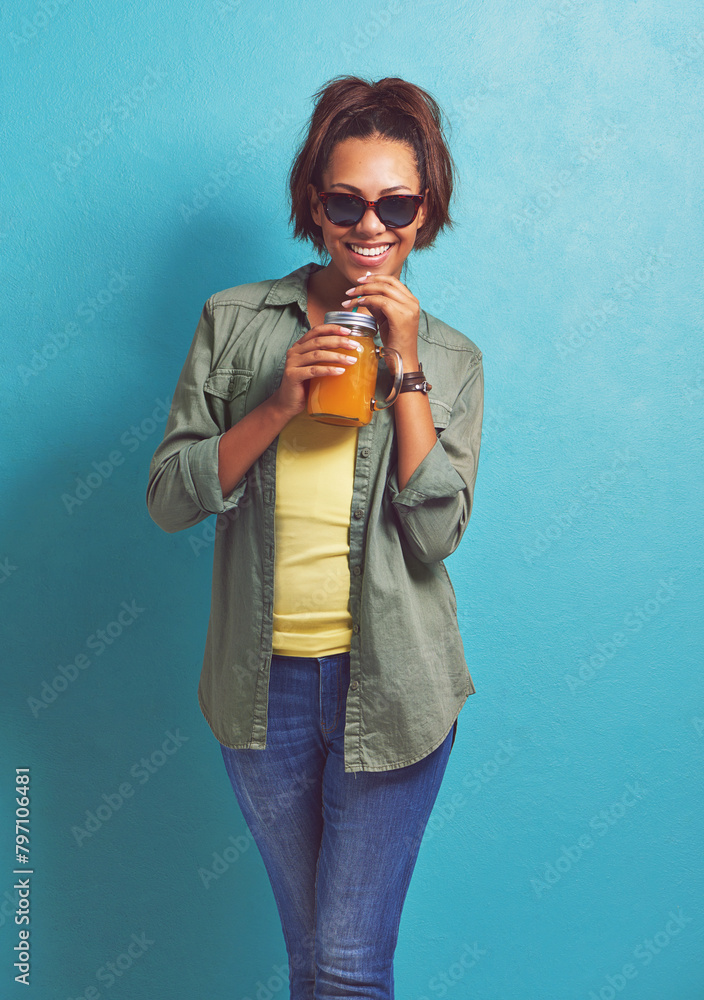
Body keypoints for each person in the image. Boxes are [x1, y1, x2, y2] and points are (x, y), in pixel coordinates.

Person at [147, 75, 484, 1000]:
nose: (369, 225)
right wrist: (276, 405)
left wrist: (404, 366)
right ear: (314, 204)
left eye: (397, 202)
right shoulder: (235, 321)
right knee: (311, 960)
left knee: (346, 966)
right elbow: (170, 498)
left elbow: (437, 533)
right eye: (346, 201)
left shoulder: (451, 357)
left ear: (426, 210)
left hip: (398, 688)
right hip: (263, 694)